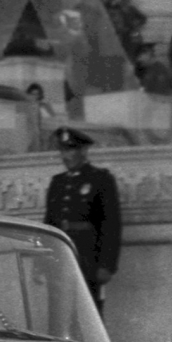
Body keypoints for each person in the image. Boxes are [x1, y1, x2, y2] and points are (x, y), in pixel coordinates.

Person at [43, 125, 122, 313]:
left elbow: (111, 224)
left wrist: (106, 265)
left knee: (88, 313)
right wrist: (42, 263)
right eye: (63, 151)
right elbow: (49, 224)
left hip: (88, 258)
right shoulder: (57, 182)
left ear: (84, 151)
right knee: (59, 312)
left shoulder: (100, 179)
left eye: (70, 150)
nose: (65, 156)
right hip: (60, 257)